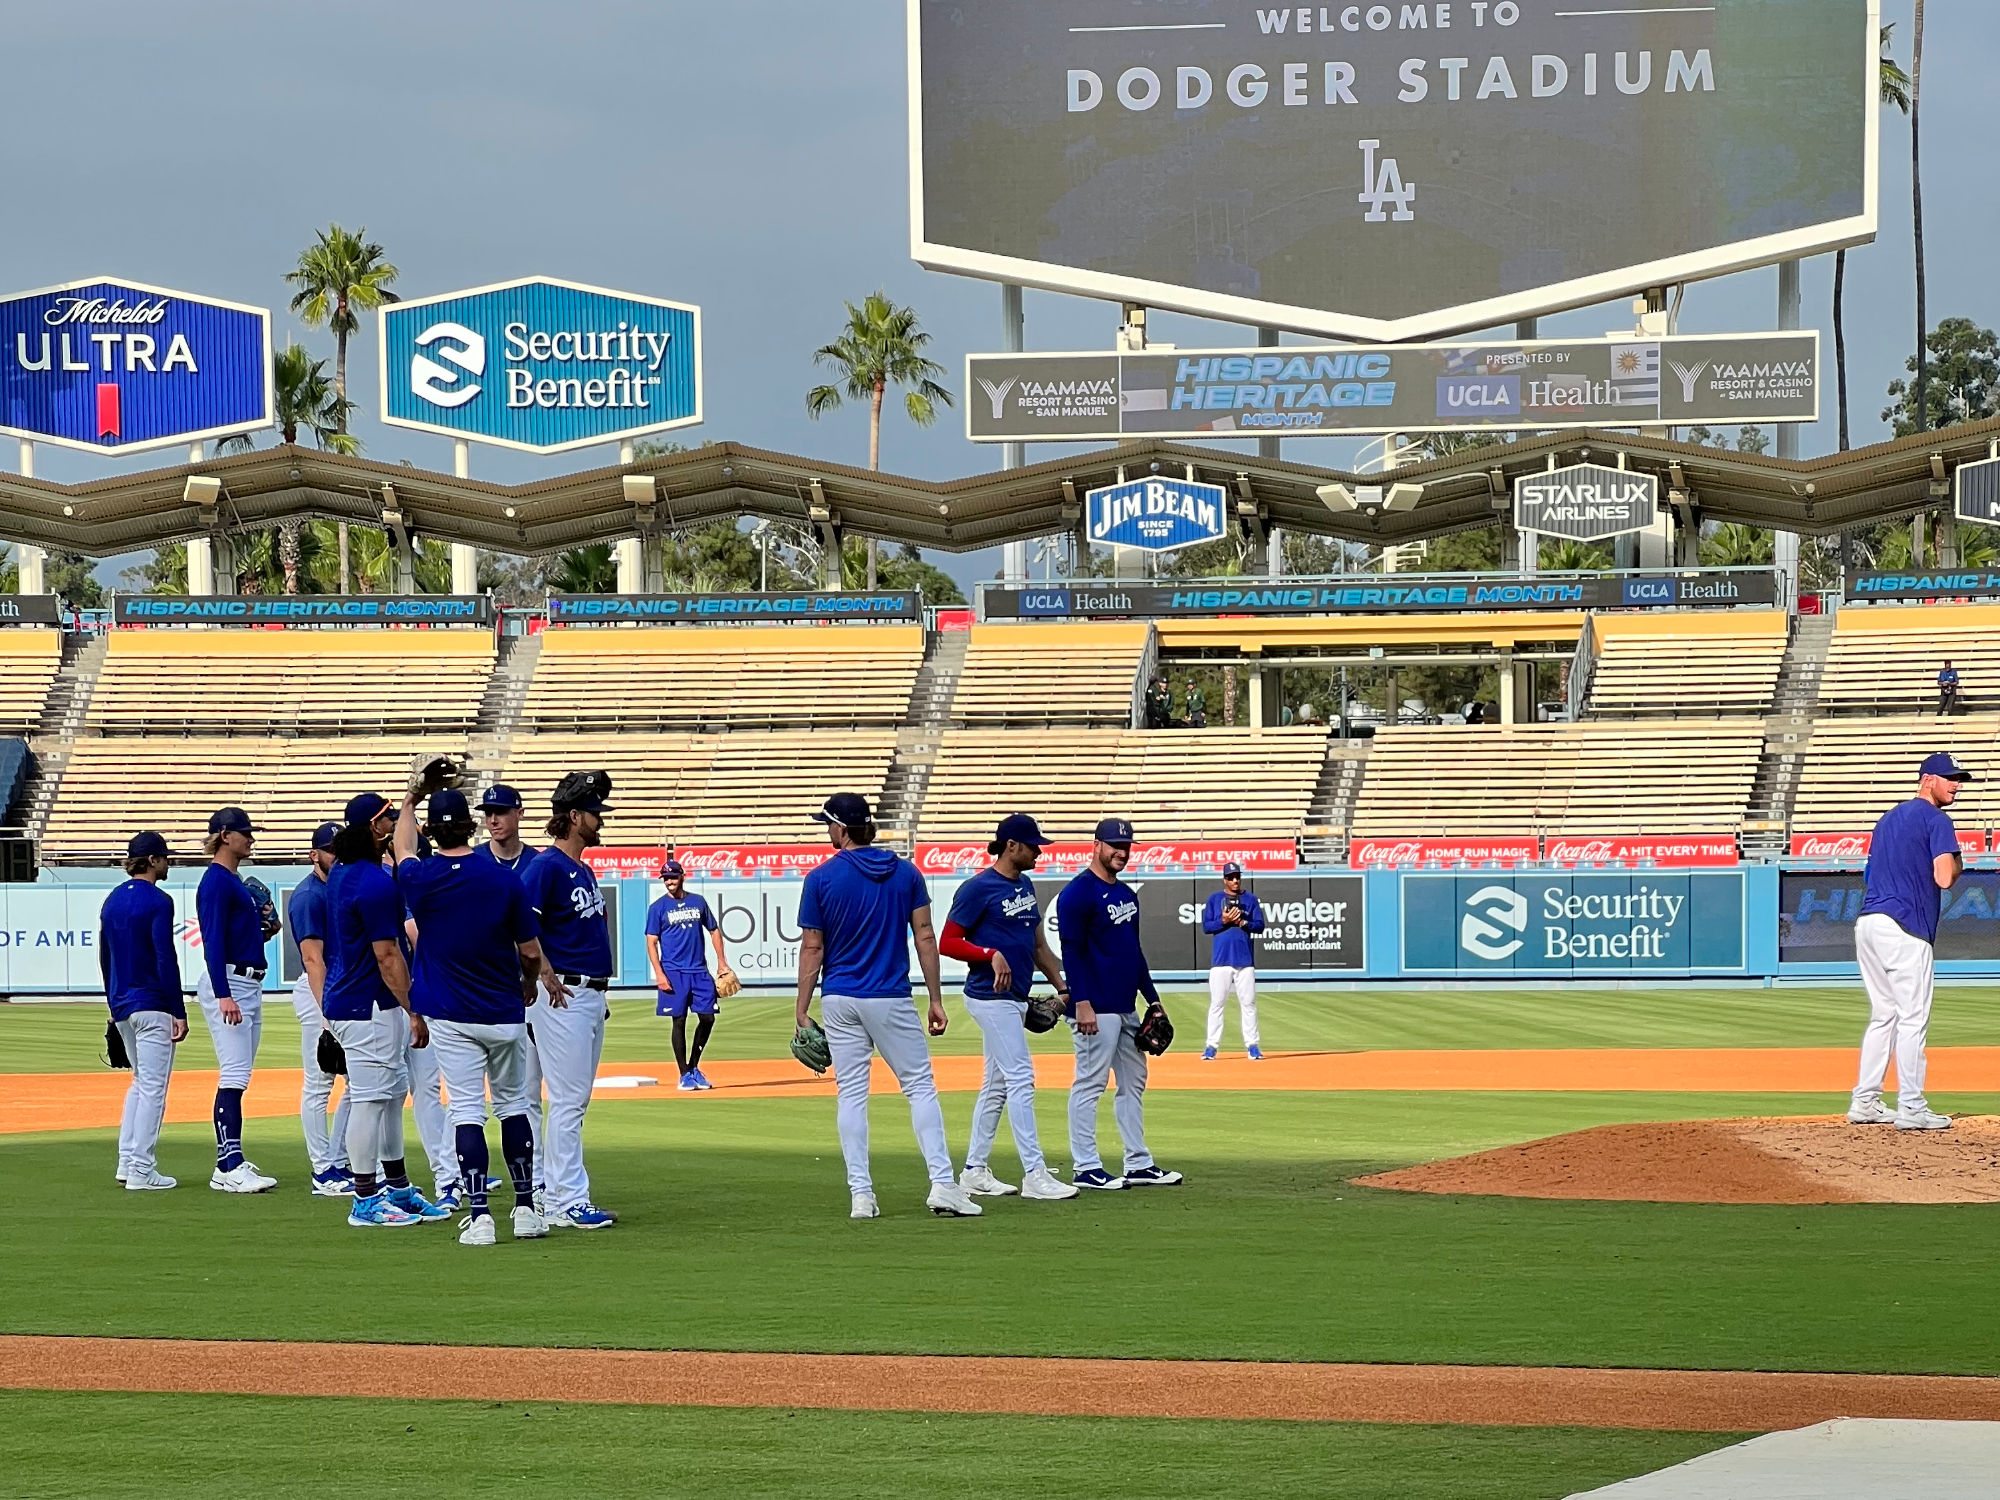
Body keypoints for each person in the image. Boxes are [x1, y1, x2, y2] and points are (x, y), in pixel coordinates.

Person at [795, 791, 979, 1220]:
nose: (827, 831)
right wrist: (935, 998)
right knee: (918, 1088)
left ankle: (862, 1195)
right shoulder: (905, 873)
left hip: (841, 996)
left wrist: (802, 1009)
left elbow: (812, 948)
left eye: (828, 824)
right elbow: (926, 936)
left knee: (852, 1096)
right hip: (890, 995)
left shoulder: (820, 878)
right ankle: (942, 1185)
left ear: (841, 829)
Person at [394, 786, 552, 1246]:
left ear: (432, 832)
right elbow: (529, 950)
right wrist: (526, 983)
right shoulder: (504, 879)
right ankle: (525, 1209)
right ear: (474, 825)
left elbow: (402, 848)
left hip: (451, 1014)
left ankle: (480, 1215)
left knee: (466, 1112)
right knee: (514, 1107)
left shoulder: (422, 879)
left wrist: (408, 801)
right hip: (502, 1010)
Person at [323, 792, 449, 1227]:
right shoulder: (372, 881)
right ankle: (364, 1199)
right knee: (373, 1101)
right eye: (388, 817)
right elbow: (388, 956)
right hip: (368, 1003)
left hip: (359, 1000)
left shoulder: (344, 873)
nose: (394, 822)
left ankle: (396, 1187)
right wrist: (414, 1008)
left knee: (391, 1097)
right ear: (375, 827)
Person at [939, 813, 1078, 1202]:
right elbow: (948, 941)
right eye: (1033, 845)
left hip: (1015, 997)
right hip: (988, 996)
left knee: (997, 1085)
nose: (1039, 851)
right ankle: (1035, 1174)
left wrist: (1063, 988)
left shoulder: (1026, 886)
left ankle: (974, 1170)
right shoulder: (977, 888)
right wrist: (989, 953)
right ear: (1011, 845)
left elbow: (1037, 948)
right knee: (1021, 1078)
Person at [1848, 752, 1972, 1132]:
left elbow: (1870, 873)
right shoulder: (1937, 819)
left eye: (1959, 779)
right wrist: (1958, 859)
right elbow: (1944, 878)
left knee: (1884, 1015)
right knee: (1912, 1019)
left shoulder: (1887, 819)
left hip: (1869, 922)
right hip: (1906, 928)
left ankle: (1865, 1101)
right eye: (1949, 778)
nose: (1956, 785)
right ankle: (1912, 1107)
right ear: (1927, 779)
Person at [1057, 819, 1182, 1191]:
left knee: (1134, 1082)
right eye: (1114, 845)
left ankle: (1139, 1163)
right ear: (1096, 845)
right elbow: (1071, 951)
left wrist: (1153, 1000)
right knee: (1090, 1084)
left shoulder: (1128, 894)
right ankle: (1085, 1166)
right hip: (1095, 1006)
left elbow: (1134, 952)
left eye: (1126, 845)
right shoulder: (1076, 894)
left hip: (1126, 1006)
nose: (1121, 852)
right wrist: (1080, 1002)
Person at [519, 776, 619, 1229]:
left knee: (568, 1100)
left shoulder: (582, 869)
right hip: (564, 995)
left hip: (588, 994)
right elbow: (520, 925)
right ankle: (564, 1200)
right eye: (596, 814)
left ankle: (553, 1191)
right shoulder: (546, 867)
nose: (602, 821)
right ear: (575, 817)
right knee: (568, 1100)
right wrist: (544, 972)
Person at [194, 806, 277, 1194]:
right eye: (245, 832)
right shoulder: (216, 882)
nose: (251, 838)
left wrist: (267, 931)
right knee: (234, 1074)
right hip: (229, 982)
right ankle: (229, 1164)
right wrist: (223, 994)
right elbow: (212, 941)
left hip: (247, 981)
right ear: (225, 835)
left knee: (240, 1074)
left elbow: (241, 940)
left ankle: (228, 1160)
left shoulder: (232, 881)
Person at [100, 831, 186, 1192]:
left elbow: (105, 956)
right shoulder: (159, 901)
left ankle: (126, 1162)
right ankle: (141, 1169)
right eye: (163, 857)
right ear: (152, 860)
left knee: (139, 1084)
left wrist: (113, 1002)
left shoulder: (112, 900)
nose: (167, 862)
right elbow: (165, 956)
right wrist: (178, 1009)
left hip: (122, 1003)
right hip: (152, 1003)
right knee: (153, 1088)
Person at [287, 821, 353, 1195]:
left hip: (338, 989)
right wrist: (328, 1012)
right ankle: (322, 1169)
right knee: (319, 1083)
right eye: (331, 850)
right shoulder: (309, 895)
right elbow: (313, 960)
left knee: (357, 1082)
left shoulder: (339, 887)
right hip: (319, 992)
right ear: (315, 854)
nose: (337, 856)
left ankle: (339, 1158)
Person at [645, 858, 733, 1091]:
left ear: (682, 876)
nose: (669, 882)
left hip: (699, 971)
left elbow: (714, 930)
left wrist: (722, 962)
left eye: (673, 877)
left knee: (708, 1017)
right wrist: (659, 974)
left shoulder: (698, 902)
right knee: (679, 1020)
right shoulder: (657, 908)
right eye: (665, 878)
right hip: (674, 971)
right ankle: (684, 1073)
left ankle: (693, 1066)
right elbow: (651, 942)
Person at [1201, 862, 1266, 1061]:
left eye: (1237, 876)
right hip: (1220, 961)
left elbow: (1260, 926)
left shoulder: (1250, 899)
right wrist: (1224, 920)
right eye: (1230, 877)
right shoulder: (1215, 899)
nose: (1235, 880)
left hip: (1244, 960)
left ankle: (1252, 1046)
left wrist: (1242, 922)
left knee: (1248, 1004)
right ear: (1224, 879)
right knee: (1217, 1004)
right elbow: (1206, 926)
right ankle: (1211, 1046)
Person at [476, 784, 537, 875]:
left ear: (520, 813)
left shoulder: (536, 861)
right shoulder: (474, 858)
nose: (493, 820)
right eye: (488, 813)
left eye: (500, 812)